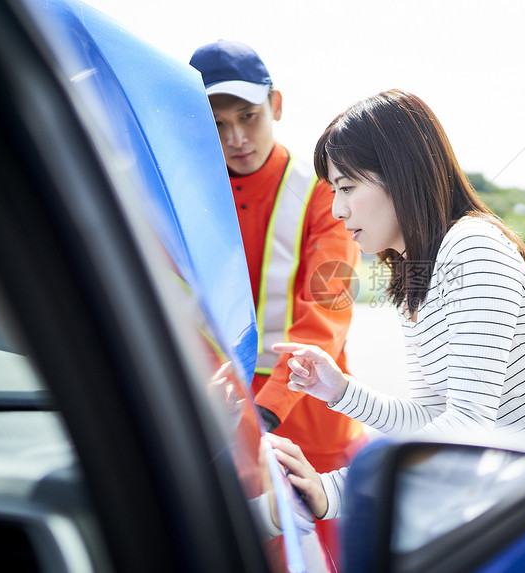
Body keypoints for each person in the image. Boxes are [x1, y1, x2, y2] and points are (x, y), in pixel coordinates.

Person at [271, 89, 525, 521]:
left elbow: (468, 426)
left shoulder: (472, 247)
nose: (338, 209)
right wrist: (339, 390)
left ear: (399, 175)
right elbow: (435, 417)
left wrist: (334, 490)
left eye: (347, 187)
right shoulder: (418, 274)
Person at [189, 40, 366, 559]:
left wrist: (264, 412)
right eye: (218, 124)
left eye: (249, 116)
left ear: (277, 106)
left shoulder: (323, 193)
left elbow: (330, 306)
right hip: (222, 430)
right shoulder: (180, 203)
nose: (237, 138)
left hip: (313, 428)